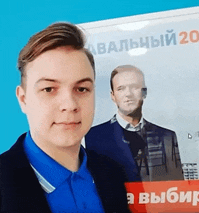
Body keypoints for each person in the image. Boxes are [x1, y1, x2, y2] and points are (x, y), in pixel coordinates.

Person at [0, 23, 131, 213]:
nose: (70, 105)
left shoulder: (112, 172)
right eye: (49, 89)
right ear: (23, 99)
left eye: (81, 89)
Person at [86, 65, 184, 182]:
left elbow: (177, 187)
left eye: (134, 87)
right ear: (113, 95)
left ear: (144, 93)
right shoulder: (92, 137)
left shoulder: (167, 137)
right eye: (121, 88)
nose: (128, 94)